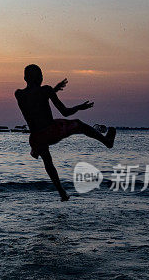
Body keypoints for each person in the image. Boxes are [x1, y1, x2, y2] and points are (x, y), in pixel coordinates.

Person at [15, 64, 116, 201]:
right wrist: (79, 107)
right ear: (38, 78)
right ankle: (107, 141)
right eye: (41, 75)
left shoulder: (19, 94)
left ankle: (62, 193)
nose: (43, 77)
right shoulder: (46, 90)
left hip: (36, 137)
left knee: (48, 162)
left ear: (25, 78)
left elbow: (35, 98)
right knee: (79, 124)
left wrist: (53, 90)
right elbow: (65, 112)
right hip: (51, 131)